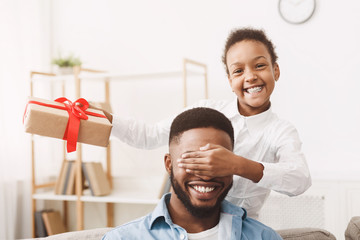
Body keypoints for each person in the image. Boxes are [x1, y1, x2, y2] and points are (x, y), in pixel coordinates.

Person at [105, 27, 311, 218]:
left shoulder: (281, 132)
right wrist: (102, 119)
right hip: (184, 224)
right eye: (238, 71)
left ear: (275, 71)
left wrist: (237, 165)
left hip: (239, 230)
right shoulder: (205, 111)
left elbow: (299, 180)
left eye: (259, 66)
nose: (250, 76)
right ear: (230, 80)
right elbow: (148, 136)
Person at [102, 107, 282, 240]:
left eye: (217, 162)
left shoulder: (264, 237)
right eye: (192, 160)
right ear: (169, 164)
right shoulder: (122, 238)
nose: (206, 175)